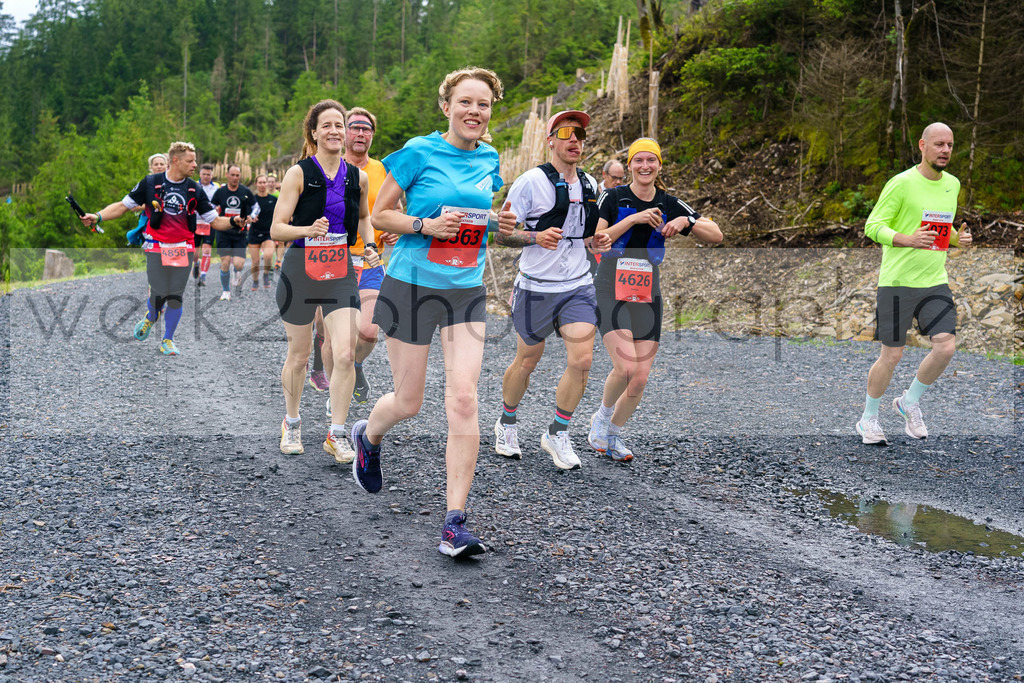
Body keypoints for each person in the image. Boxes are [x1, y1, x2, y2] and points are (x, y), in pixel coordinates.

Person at [351, 67, 515, 558]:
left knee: (464, 399)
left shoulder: (490, 158)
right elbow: (381, 215)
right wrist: (426, 225)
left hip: (465, 290)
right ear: (446, 107)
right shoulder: (419, 151)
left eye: (483, 104)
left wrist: (500, 222)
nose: (474, 111)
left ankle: (454, 522)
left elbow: (476, 218)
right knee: (409, 402)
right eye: (465, 102)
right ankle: (368, 436)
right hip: (412, 285)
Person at [588, 138, 722, 462]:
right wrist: (633, 219)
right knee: (625, 367)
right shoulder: (614, 196)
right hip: (610, 286)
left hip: (647, 291)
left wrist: (687, 221)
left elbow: (716, 235)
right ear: (630, 165)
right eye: (639, 160)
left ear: (659, 166)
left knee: (640, 378)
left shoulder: (668, 202)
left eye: (651, 160)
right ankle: (601, 418)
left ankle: (614, 434)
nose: (645, 166)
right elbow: (595, 241)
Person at [493, 110, 612, 470]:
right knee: (528, 360)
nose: (574, 139)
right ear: (550, 142)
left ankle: (557, 432)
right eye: (565, 133)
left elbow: (586, 236)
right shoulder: (529, 182)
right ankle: (507, 423)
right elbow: (502, 236)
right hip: (536, 286)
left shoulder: (590, 185)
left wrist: (596, 241)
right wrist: (535, 237)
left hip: (578, 286)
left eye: (579, 134)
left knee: (583, 361)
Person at [270, 99, 379, 465]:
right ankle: (292, 422)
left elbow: (364, 218)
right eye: (327, 125)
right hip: (300, 269)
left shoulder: (358, 177)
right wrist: (307, 230)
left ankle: (336, 433)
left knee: (345, 353)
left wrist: (370, 245)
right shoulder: (298, 174)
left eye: (340, 125)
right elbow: (277, 228)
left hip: (340, 270)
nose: (335, 130)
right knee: (299, 356)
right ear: (314, 132)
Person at [855, 122, 972, 445]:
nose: (945, 150)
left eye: (950, 145)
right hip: (897, 283)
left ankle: (909, 402)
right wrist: (907, 239)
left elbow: (941, 230)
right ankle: (868, 419)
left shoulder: (952, 184)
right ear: (922, 145)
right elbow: (873, 226)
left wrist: (959, 240)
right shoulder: (901, 183)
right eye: (939, 144)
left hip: (934, 281)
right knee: (892, 356)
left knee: (945, 348)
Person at [79, 142, 231, 355]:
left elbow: (215, 221)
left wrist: (235, 222)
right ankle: (151, 316)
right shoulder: (151, 183)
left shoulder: (194, 189)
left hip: (184, 247)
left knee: (175, 295)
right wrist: (98, 216)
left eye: (195, 160)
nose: (195, 165)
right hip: (156, 245)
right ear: (175, 161)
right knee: (159, 293)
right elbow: (122, 206)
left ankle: (167, 340)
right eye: (190, 161)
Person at [317, 106, 397, 408]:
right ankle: (335, 392)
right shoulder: (324, 167)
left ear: (372, 135)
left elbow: (394, 209)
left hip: (370, 259)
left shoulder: (383, 170)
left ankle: (356, 366)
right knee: (331, 336)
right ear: (343, 132)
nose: (360, 133)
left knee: (368, 332)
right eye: (355, 127)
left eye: (367, 129)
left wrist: (393, 230)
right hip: (330, 259)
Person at [211, 164, 259, 300]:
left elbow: (256, 207)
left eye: (237, 175)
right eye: (232, 175)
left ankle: (236, 271)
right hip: (224, 231)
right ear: (227, 175)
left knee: (239, 264)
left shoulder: (245, 191)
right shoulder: (220, 192)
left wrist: (251, 216)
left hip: (240, 233)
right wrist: (215, 215)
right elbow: (210, 207)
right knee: (225, 262)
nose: (235, 178)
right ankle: (226, 291)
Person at [248, 174, 278, 290]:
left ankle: (266, 274)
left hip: (268, 233)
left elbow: (278, 215)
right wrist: (250, 218)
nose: (262, 185)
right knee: (255, 261)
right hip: (254, 232)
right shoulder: (252, 200)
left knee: (268, 255)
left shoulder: (273, 200)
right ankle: (255, 281)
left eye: (264, 182)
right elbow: (246, 214)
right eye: (260, 182)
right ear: (256, 184)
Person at [194, 163, 219, 286]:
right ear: (200, 174)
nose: (206, 177)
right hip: (195, 222)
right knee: (194, 253)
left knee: (207, 249)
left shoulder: (217, 188)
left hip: (209, 222)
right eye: (204, 174)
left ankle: (203, 276)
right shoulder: (193, 186)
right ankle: (196, 264)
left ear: (212, 175)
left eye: (208, 174)